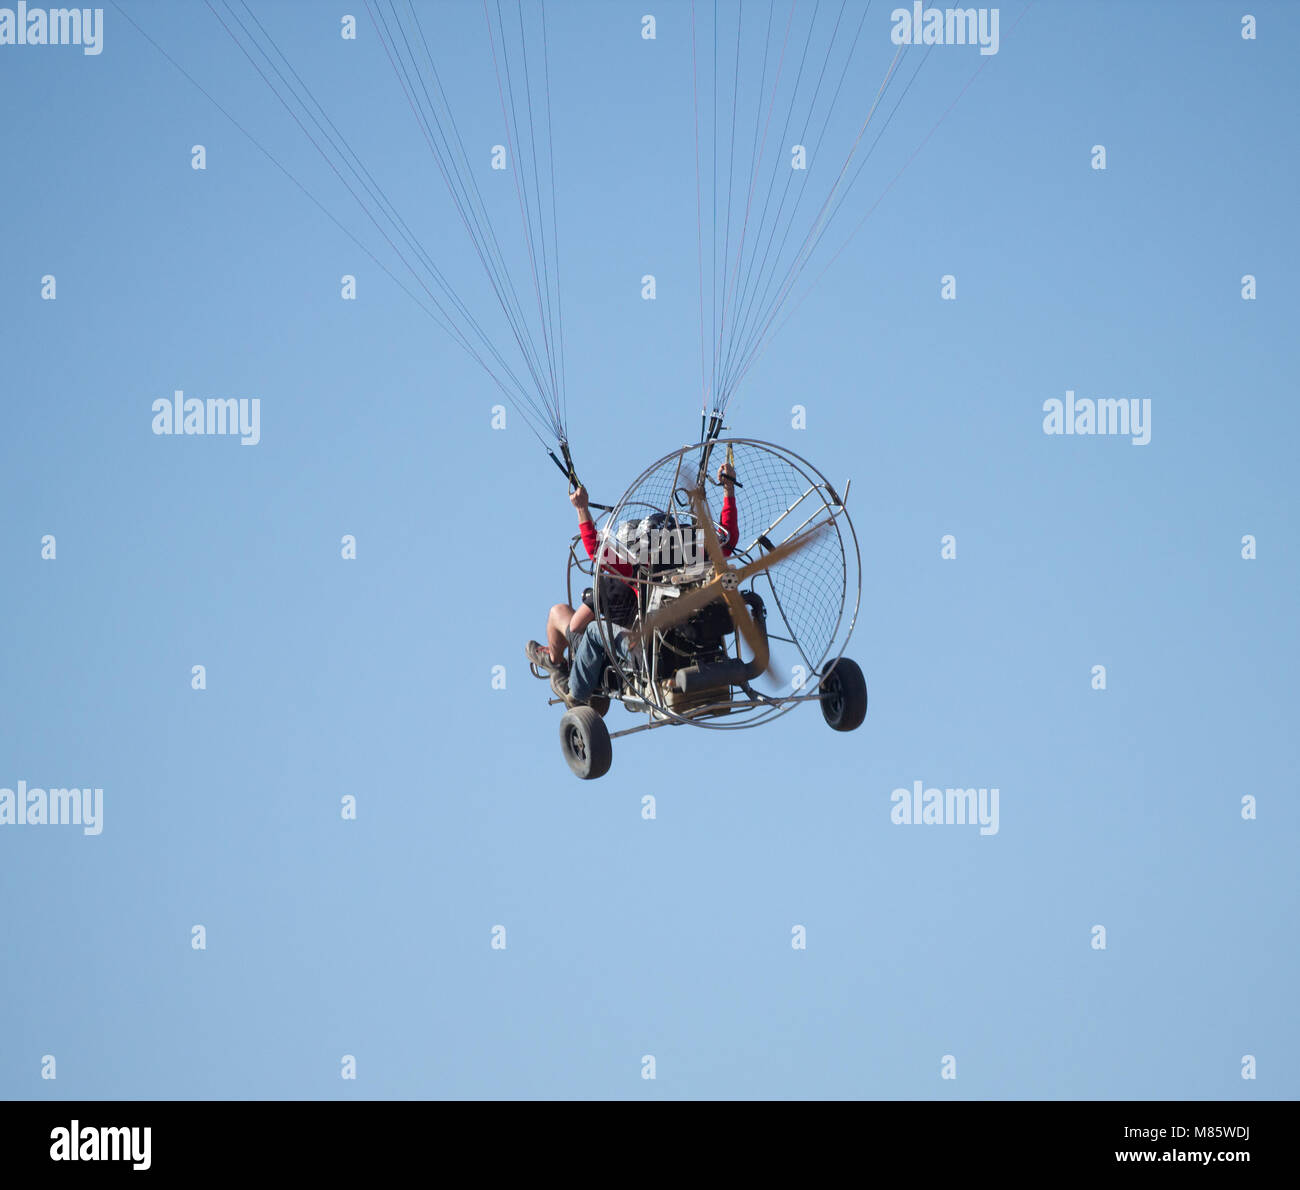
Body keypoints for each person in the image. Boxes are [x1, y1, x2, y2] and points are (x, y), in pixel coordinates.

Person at [526, 463, 739, 706]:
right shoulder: (695, 558)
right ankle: (568, 670)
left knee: (592, 628)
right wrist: (728, 490)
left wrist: (582, 509)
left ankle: (576, 694)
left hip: (649, 655)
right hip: (699, 650)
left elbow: (596, 551)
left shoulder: (640, 570)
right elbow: (728, 540)